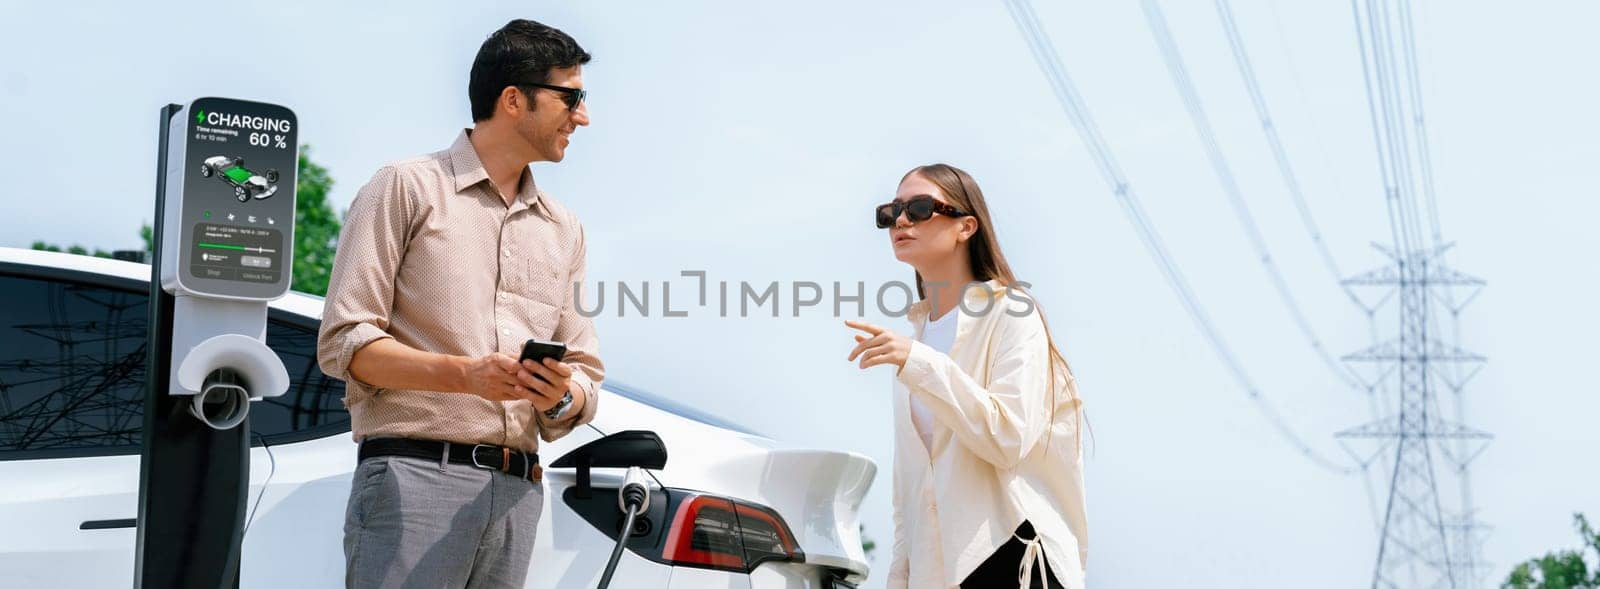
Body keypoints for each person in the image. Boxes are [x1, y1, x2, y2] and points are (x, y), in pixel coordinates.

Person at [316, 19, 602, 588]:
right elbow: (344, 342)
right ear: (514, 100)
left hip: (518, 494)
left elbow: (586, 376)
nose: (583, 116)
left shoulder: (564, 229)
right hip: (414, 480)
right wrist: (466, 375)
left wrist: (560, 395)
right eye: (571, 97)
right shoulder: (404, 187)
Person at [846, 163, 1088, 588]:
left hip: (1011, 560)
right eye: (890, 212)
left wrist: (919, 363)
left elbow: (1007, 438)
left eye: (920, 208)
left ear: (966, 227)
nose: (900, 220)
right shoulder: (915, 339)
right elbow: (911, 493)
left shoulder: (1012, 313)